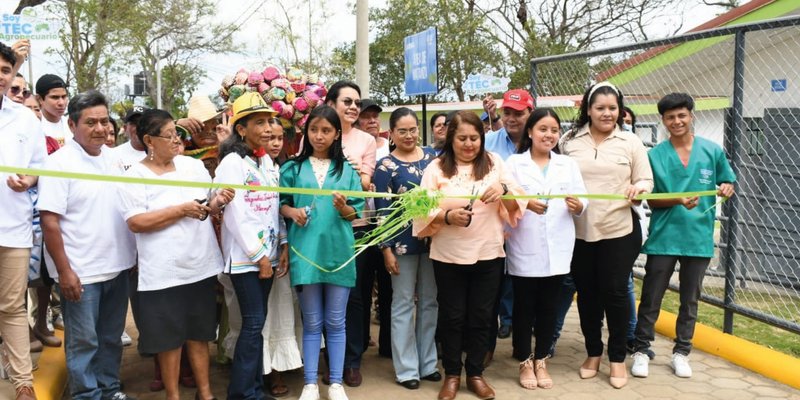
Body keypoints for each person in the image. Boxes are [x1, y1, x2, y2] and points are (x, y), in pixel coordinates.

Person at [116, 109, 233, 400]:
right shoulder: (134, 176)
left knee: (200, 333)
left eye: (177, 134)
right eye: (168, 135)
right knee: (168, 340)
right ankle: (173, 395)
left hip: (199, 265)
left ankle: (205, 393)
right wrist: (180, 210)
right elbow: (136, 222)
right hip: (163, 272)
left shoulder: (192, 167)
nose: (176, 140)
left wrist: (217, 201)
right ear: (148, 140)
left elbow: (207, 205)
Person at [413, 111, 524, 400]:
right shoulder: (436, 168)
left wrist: (503, 188)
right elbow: (419, 209)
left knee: (482, 317)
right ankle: (452, 374)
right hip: (448, 255)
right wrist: (447, 216)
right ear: (451, 138)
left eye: (474, 138)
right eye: (462, 138)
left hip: (488, 253)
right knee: (452, 317)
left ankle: (475, 373)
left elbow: (518, 195)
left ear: (482, 138)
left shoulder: (494, 163)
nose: (468, 144)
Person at [38, 90, 137, 400]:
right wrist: (65, 272)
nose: (100, 129)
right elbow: (49, 222)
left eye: (104, 121)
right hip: (81, 273)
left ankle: (109, 390)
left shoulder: (115, 159)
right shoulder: (58, 164)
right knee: (83, 342)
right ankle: (87, 395)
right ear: (72, 125)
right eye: (90, 122)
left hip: (118, 267)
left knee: (110, 338)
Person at [630, 93, 736, 379]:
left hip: (697, 237)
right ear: (663, 121)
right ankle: (641, 350)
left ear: (691, 116)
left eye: (681, 115)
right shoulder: (655, 155)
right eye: (670, 117)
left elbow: (727, 180)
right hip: (665, 237)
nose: (676, 121)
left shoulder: (712, 151)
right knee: (652, 296)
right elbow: (651, 200)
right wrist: (677, 200)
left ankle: (682, 352)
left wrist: (727, 186)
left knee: (690, 300)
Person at [559, 81, 653, 389]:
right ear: (588, 110)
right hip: (578, 232)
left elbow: (645, 180)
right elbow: (556, 177)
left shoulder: (631, 142)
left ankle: (616, 359)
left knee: (614, 293)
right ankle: (592, 353)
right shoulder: (569, 141)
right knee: (587, 295)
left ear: (620, 111)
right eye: (600, 107)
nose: (607, 113)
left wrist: (638, 189)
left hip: (619, 230)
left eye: (612, 108)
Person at [279, 105, 365, 400]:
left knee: (336, 322)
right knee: (312, 322)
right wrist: (292, 212)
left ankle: (337, 383)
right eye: (313, 129)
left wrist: (344, 207)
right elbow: (282, 204)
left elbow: (355, 214)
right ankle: (310, 383)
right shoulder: (291, 168)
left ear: (337, 134)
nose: (319, 135)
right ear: (306, 132)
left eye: (326, 130)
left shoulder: (348, 171)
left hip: (339, 253)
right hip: (305, 252)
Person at [505, 108, 587, 390]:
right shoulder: (515, 163)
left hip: (559, 245)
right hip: (524, 244)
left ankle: (542, 359)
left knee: (549, 307)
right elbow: (506, 196)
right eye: (542, 129)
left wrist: (579, 206)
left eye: (553, 130)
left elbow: (583, 198)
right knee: (525, 307)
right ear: (530, 132)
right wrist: (526, 203)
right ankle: (525, 361)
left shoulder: (568, 165)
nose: (548, 135)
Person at [214, 93, 288, 399]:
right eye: (260, 122)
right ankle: (243, 392)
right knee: (253, 322)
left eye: (270, 121)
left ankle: (254, 388)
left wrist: (282, 245)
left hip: (268, 256)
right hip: (247, 259)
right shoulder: (232, 163)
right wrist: (259, 257)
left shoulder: (267, 162)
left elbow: (274, 206)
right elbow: (236, 215)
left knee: (256, 324)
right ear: (241, 129)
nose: (269, 128)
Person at [373, 107, 439, 390]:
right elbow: (382, 211)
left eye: (413, 130)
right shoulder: (385, 166)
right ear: (392, 133)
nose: (409, 135)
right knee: (401, 304)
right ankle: (406, 369)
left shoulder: (433, 160)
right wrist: (385, 248)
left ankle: (428, 363)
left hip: (434, 241)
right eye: (403, 130)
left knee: (429, 302)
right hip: (401, 245)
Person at [324, 80, 379, 386]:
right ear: (331, 104)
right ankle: (328, 357)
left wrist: (355, 174)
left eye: (356, 102)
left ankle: (351, 360)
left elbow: (366, 185)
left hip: (357, 227)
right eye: (347, 101)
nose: (354, 107)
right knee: (323, 294)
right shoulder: (320, 134)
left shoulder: (366, 141)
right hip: (320, 228)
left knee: (355, 297)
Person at [0, 41, 45, 400]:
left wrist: (28, 180)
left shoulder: (25, 118)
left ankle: (22, 384)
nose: (1, 77)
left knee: (12, 307)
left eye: (5, 70)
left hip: (13, 228)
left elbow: (38, 167)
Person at [483, 89, 535, 357]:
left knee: (526, 289)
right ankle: (487, 347)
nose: (512, 118)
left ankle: (525, 349)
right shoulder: (489, 142)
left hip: (531, 229)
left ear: (530, 112)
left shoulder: (540, 141)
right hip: (496, 230)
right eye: (508, 113)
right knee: (491, 291)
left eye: (519, 113)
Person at [263, 117, 303, 397]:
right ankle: (270, 370)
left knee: (288, 307)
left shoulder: (289, 168)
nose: (275, 143)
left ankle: (289, 362)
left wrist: (287, 244)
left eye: (280, 138)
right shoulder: (251, 168)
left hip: (289, 246)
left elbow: (288, 207)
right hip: (261, 249)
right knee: (269, 310)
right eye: (269, 137)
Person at [354, 97, 393, 358]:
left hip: (389, 225)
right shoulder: (354, 147)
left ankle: (389, 345)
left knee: (389, 287)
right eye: (366, 116)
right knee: (361, 288)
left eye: (375, 116)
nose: (371, 121)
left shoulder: (391, 147)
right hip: (361, 224)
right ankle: (360, 340)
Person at [177, 95, 231, 177]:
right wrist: (177, 123)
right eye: (201, 128)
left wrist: (228, 145)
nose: (209, 132)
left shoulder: (230, 148)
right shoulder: (179, 151)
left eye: (214, 128)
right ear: (190, 130)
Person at [35, 74, 71, 146]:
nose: (61, 103)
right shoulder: (33, 125)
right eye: (55, 97)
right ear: (39, 99)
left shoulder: (71, 125)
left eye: (64, 97)